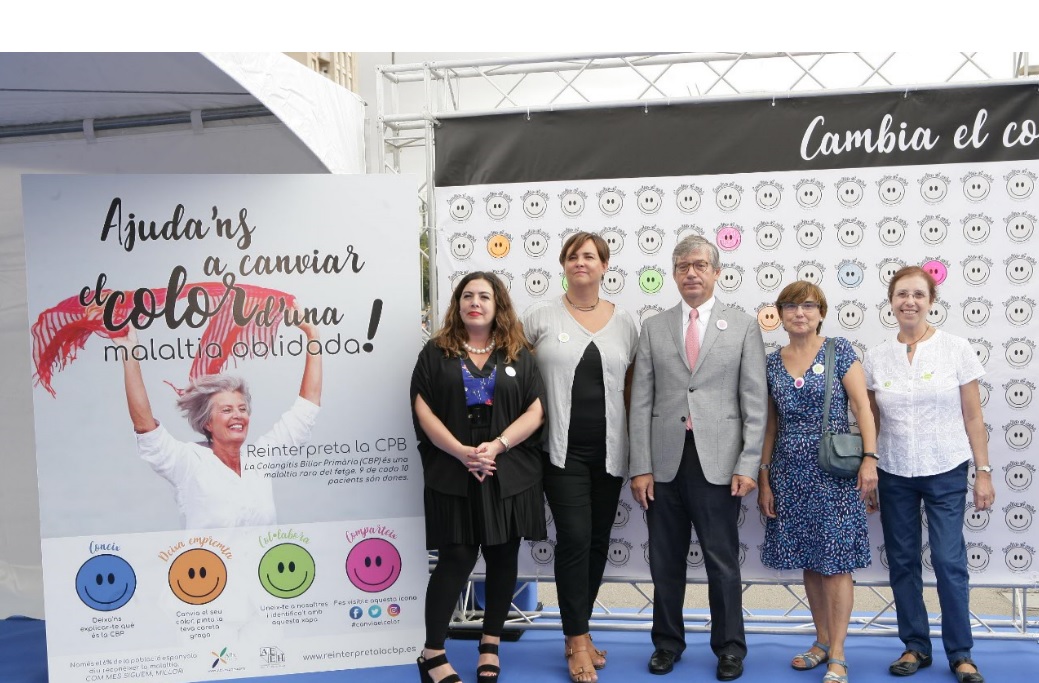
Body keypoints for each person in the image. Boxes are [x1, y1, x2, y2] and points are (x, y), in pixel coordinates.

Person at [629, 235, 767, 681]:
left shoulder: (743, 325)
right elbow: (641, 401)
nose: (691, 273)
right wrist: (641, 466)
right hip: (664, 463)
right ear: (673, 274)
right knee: (664, 561)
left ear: (716, 273)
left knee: (721, 561)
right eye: (683, 266)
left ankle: (730, 648)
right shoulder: (654, 327)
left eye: (700, 265)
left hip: (719, 465)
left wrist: (747, 464)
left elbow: (755, 403)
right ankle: (667, 644)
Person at [410, 272, 546, 683]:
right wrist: (460, 451)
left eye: (484, 296)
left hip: (508, 471)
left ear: (497, 304)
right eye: (467, 295)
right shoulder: (435, 352)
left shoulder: (519, 353)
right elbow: (422, 407)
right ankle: (432, 653)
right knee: (455, 558)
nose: (475, 302)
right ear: (458, 304)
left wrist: (498, 445)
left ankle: (490, 645)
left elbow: (536, 409)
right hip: (453, 470)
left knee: (504, 557)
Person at [864, 266, 993, 683]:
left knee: (948, 560)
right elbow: (871, 420)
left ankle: (961, 653)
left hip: (946, 468)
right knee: (902, 561)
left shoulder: (956, 348)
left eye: (919, 294)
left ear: (931, 301)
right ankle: (915, 646)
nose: (910, 302)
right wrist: (869, 467)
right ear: (891, 302)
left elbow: (973, 417)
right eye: (902, 294)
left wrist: (983, 471)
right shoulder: (876, 356)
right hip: (893, 470)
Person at [523, 232, 638, 683]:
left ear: (604, 266)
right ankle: (574, 641)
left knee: (596, 543)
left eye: (589, 256)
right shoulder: (539, 316)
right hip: (560, 452)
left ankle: (582, 632)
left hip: (609, 454)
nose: (580, 262)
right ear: (563, 265)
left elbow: (632, 388)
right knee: (573, 539)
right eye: (572, 256)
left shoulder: (625, 322)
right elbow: (517, 376)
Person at [756, 281, 877, 683]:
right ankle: (821, 641)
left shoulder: (839, 351)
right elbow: (771, 424)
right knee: (810, 559)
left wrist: (870, 459)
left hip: (835, 471)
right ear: (779, 315)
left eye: (808, 306)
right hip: (790, 472)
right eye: (791, 306)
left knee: (836, 563)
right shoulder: (772, 363)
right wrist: (765, 476)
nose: (799, 313)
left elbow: (862, 407)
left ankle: (838, 654)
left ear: (821, 312)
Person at [114, 310, 322, 529]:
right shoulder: (188, 462)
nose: (237, 415)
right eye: (226, 410)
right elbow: (145, 427)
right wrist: (130, 354)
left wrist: (312, 335)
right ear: (207, 422)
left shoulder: (260, 459)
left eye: (242, 408)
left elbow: (306, 410)